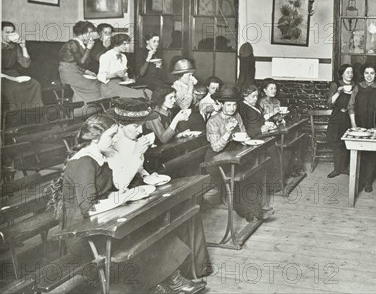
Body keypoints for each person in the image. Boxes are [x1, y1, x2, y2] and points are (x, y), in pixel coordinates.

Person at [55, 114, 209, 293]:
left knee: (150, 226)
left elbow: (105, 193)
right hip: (83, 233)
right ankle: (167, 281)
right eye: (111, 136)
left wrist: (130, 193)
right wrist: (124, 197)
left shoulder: (99, 156)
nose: (114, 140)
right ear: (96, 138)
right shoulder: (84, 162)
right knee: (144, 230)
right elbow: (88, 208)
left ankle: (163, 281)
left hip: (100, 221)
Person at [205, 85, 273, 222]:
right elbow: (217, 147)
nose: (232, 108)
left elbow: (244, 134)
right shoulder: (213, 121)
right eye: (228, 105)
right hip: (215, 160)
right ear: (220, 104)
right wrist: (228, 132)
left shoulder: (236, 115)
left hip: (233, 154)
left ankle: (251, 210)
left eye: (234, 105)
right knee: (239, 178)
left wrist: (248, 141)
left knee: (251, 172)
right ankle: (252, 211)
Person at [348, 64, 376, 193]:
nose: (369, 76)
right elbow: (351, 106)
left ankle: (368, 182)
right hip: (359, 126)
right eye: (366, 73)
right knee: (359, 154)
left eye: (372, 73)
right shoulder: (357, 87)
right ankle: (359, 181)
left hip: (374, 127)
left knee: (372, 154)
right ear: (363, 74)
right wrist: (354, 126)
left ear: (375, 75)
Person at [1, 21, 43, 110]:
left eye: (12, 32)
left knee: (35, 84)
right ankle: (15, 118)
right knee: (12, 89)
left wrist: (23, 47)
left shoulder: (14, 46)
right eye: (7, 33)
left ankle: (35, 114)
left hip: (13, 74)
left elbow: (25, 64)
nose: (10, 35)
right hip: (2, 76)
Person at [58, 21, 102, 103]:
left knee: (96, 82)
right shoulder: (72, 44)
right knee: (93, 85)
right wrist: (88, 48)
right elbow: (81, 62)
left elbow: (76, 64)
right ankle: (83, 108)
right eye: (89, 32)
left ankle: (89, 106)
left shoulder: (79, 44)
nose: (90, 35)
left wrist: (86, 71)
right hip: (68, 74)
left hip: (75, 71)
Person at [97, 34, 148, 99]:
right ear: (116, 44)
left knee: (146, 93)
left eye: (127, 44)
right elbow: (100, 77)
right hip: (109, 87)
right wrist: (115, 75)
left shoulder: (124, 57)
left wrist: (128, 79)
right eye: (124, 44)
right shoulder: (106, 56)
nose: (126, 46)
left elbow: (124, 75)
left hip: (120, 84)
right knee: (139, 96)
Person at [325, 63, 354, 178]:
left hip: (349, 116)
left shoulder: (355, 86)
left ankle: (345, 168)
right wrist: (339, 91)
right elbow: (330, 102)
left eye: (351, 72)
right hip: (337, 116)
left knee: (347, 142)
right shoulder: (335, 85)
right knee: (336, 142)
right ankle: (337, 169)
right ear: (342, 74)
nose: (350, 75)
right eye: (347, 72)